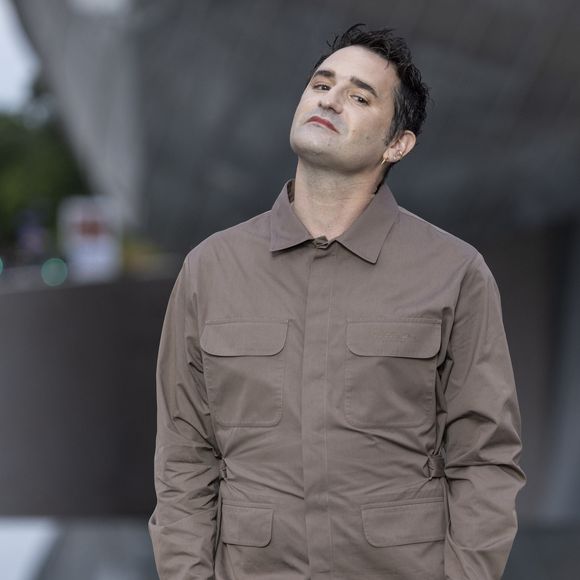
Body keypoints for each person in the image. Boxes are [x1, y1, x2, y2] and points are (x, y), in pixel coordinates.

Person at [149, 23, 525, 580]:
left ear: (397, 143)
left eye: (359, 95)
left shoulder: (454, 272)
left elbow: (485, 457)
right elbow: (185, 456)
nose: (329, 98)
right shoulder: (211, 268)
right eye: (321, 84)